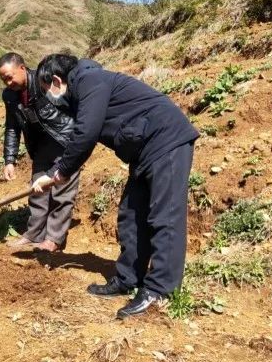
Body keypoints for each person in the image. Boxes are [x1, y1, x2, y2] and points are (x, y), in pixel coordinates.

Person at [33, 54, 199, 318]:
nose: (51, 98)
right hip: (144, 150)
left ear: (56, 80)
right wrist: (54, 172)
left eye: (47, 91)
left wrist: (62, 172)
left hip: (166, 140)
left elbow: (85, 134)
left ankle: (160, 291)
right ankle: (128, 279)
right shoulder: (85, 90)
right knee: (131, 217)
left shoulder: (89, 80)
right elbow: (77, 138)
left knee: (163, 216)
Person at [0, 52, 80, 252]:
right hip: (40, 146)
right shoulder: (9, 96)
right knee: (37, 192)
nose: (8, 82)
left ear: (23, 68)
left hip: (65, 142)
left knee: (62, 193)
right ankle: (34, 234)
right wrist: (10, 159)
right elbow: (11, 127)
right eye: (3, 79)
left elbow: (71, 107)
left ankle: (53, 239)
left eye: (10, 76)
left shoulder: (44, 80)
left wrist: (77, 143)